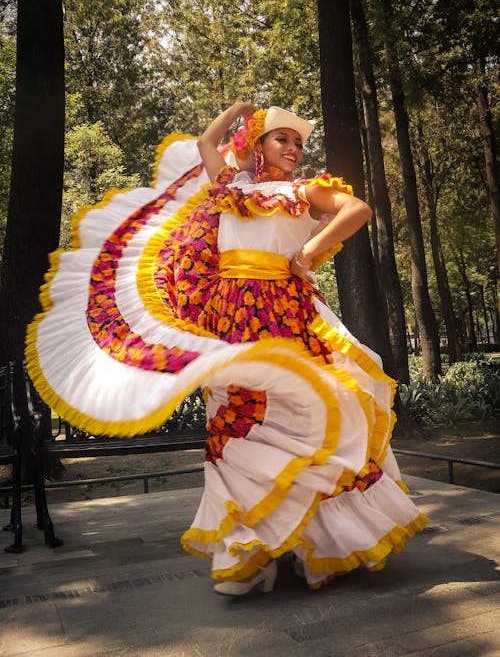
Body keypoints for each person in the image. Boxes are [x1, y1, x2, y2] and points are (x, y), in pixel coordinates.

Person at [26, 102, 428, 594]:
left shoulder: (302, 191)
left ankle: (318, 544)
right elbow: (204, 144)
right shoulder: (231, 188)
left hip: (286, 310)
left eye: (298, 144)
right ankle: (250, 550)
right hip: (231, 316)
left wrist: (308, 252)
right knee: (237, 425)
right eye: (282, 140)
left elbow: (357, 209)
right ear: (257, 145)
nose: (294, 150)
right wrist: (239, 111)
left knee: (309, 415)